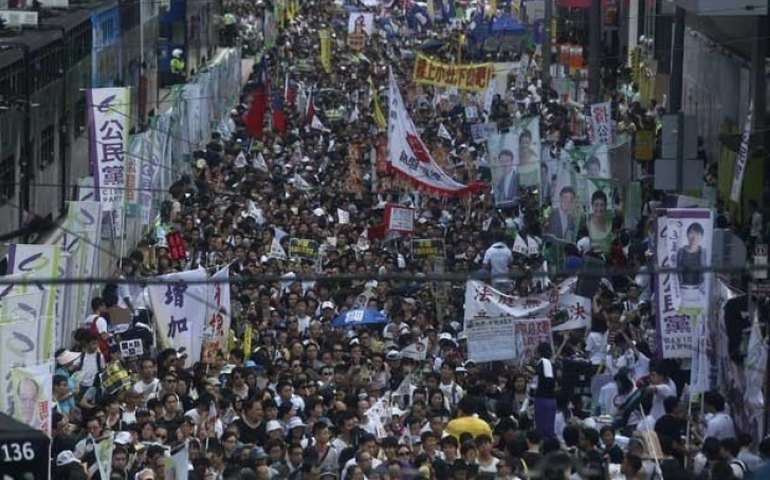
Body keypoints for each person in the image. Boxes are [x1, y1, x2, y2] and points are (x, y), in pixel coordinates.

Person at [676, 222, 708, 308]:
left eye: (697, 234)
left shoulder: (703, 252)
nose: (693, 236)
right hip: (682, 291)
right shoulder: (681, 251)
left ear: (701, 236)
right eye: (691, 233)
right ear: (687, 234)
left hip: (698, 292)